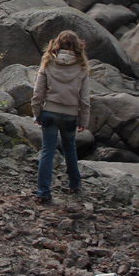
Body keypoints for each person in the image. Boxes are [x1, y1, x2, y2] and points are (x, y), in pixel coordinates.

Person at [31, 30, 90, 203]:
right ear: (77, 45)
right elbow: (85, 99)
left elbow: (37, 93)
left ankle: (43, 192)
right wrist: (84, 120)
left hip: (49, 112)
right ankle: (75, 184)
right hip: (71, 115)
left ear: (56, 44)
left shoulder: (48, 62)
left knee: (47, 151)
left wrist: (36, 114)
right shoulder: (81, 67)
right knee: (70, 149)